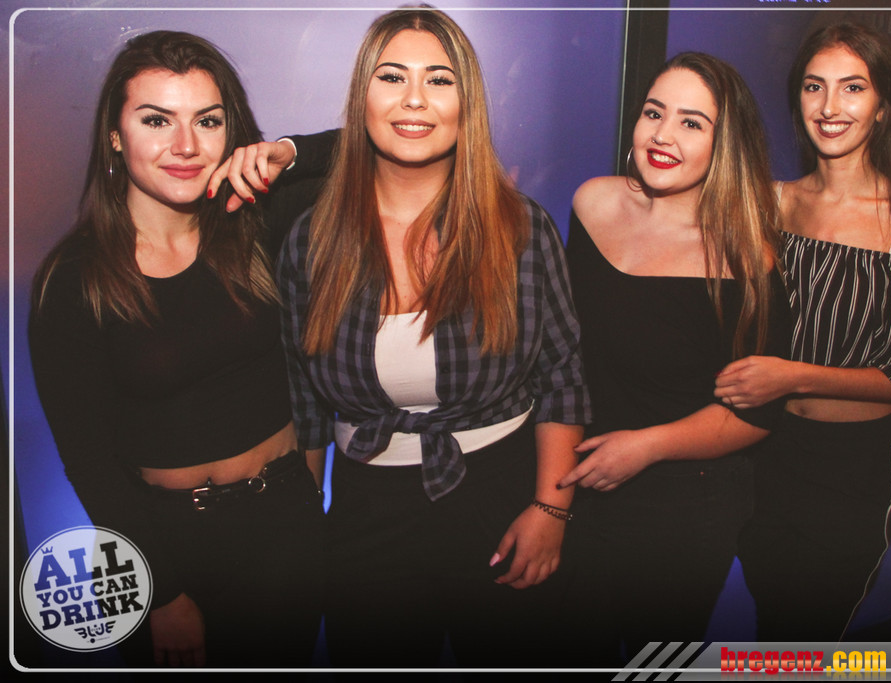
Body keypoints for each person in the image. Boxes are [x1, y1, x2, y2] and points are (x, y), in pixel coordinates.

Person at [271, 7, 589, 668]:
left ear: (465, 104)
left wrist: (550, 511)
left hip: (503, 499)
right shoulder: (311, 240)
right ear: (362, 97)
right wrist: (303, 534)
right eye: (392, 77)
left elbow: (562, 375)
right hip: (364, 510)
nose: (414, 99)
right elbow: (305, 406)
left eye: (439, 80)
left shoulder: (520, 227)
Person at [28, 31, 325, 667]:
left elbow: (379, 148)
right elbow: (87, 459)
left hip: (286, 526)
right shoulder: (75, 280)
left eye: (208, 121)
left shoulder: (258, 222)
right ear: (115, 135)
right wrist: (160, 593)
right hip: (165, 546)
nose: (186, 145)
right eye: (156, 120)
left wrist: (288, 153)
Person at [715, 22, 891, 641]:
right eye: (814, 86)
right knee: (771, 621)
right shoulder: (772, 203)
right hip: (761, 450)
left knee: (808, 635)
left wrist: (792, 376)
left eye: (853, 88)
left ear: (883, 107)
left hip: (851, 469)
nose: (830, 106)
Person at [557, 52, 790, 661]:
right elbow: (561, 348)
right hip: (575, 479)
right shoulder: (593, 203)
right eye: (654, 113)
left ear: (725, 144)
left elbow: (755, 415)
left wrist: (646, 446)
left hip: (684, 504)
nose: (663, 135)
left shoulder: (746, 261)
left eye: (692, 122)